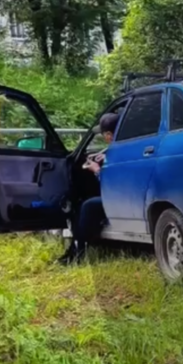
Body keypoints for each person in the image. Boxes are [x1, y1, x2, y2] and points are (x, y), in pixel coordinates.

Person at [59, 112, 118, 263]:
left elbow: (112, 184)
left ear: (109, 135)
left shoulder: (117, 151)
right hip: (127, 197)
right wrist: (105, 158)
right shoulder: (120, 148)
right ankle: (76, 246)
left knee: (87, 206)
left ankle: (80, 251)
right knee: (84, 204)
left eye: (104, 135)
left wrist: (96, 170)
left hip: (119, 199)